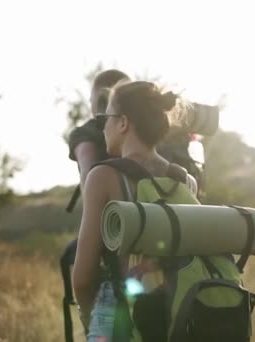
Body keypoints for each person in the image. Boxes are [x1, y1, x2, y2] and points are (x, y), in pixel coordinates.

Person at [72, 80, 196, 340]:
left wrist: (91, 321)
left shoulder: (103, 177)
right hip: (178, 311)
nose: (102, 127)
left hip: (120, 316)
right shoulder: (185, 180)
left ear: (123, 123)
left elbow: (83, 278)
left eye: (106, 118)